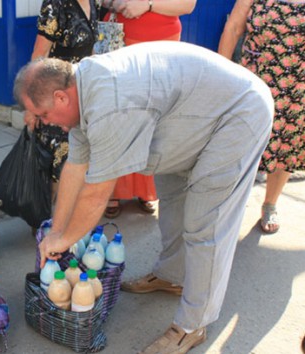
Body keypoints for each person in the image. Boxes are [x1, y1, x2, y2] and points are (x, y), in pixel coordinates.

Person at [15, 42, 273, 353]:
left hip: (237, 115)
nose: (43, 122)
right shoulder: (81, 92)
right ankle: (173, 276)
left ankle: (193, 325)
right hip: (193, 116)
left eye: (43, 114)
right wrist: (57, 230)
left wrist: (65, 239)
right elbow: (75, 167)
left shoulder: (110, 103)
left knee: (205, 225)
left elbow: (96, 195)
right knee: (173, 201)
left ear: (60, 96)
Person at [99, 0, 196, 218]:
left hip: (164, 43)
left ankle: (147, 189)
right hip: (120, 39)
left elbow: (188, 5)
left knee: (156, 120)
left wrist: (148, 4)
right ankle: (113, 189)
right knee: (119, 116)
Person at [218, 0, 304, 234]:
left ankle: (270, 204)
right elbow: (234, 27)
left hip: (297, 87)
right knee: (240, 148)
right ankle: (227, 206)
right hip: (255, 82)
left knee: (286, 147)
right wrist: (221, 75)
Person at [24, 0, 99, 207]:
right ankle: (48, 220)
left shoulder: (93, 4)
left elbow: (90, 52)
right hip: (54, 100)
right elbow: (39, 56)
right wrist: (32, 106)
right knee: (56, 164)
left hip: (80, 99)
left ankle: (67, 216)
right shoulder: (55, 4)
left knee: (78, 159)